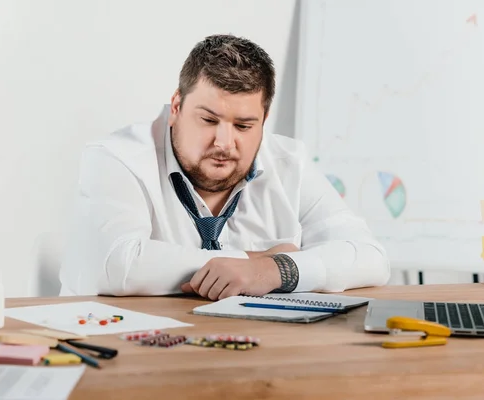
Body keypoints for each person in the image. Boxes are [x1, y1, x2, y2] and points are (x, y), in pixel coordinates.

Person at [59, 34, 390, 300]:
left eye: (244, 126)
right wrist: (251, 261)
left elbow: (371, 258)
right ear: (176, 106)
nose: (224, 142)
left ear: (263, 121)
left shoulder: (291, 163)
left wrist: (274, 271)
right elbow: (117, 265)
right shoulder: (116, 157)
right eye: (208, 120)